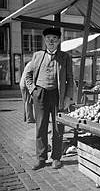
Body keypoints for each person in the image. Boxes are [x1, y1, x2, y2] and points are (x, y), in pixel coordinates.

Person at [25, 27, 74, 170]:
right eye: (48, 39)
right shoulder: (37, 55)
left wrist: (68, 97)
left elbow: (70, 79)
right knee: (41, 127)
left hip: (58, 95)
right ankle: (41, 158)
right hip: (40, 94)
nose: (51, 41)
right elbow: (28, 75)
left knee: (58, 127)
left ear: (59, 41)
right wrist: (33, 89)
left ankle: (56, 158)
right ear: (45, 40)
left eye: (54, 39)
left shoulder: (65, 57)